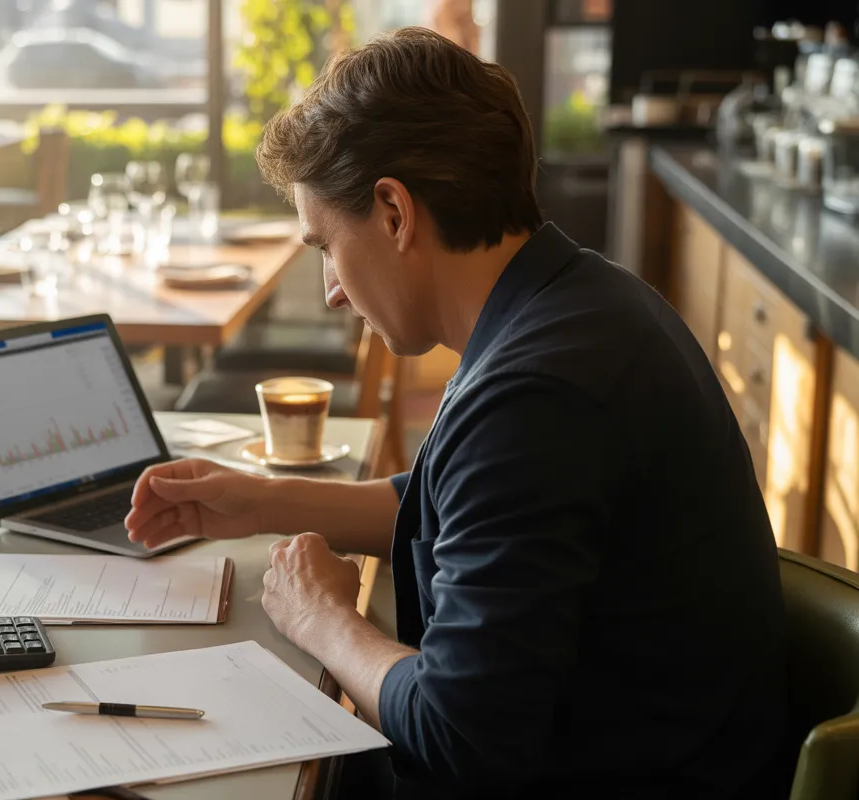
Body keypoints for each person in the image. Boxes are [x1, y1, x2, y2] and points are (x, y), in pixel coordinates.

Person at [124, 26, 785, 800]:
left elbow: (462, 733)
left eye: (327, 246)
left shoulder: (536, 396)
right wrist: (257, 500)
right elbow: (459, 506)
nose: (333, 290)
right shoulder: (575, 299)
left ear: (395, 213)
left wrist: (325, 621)